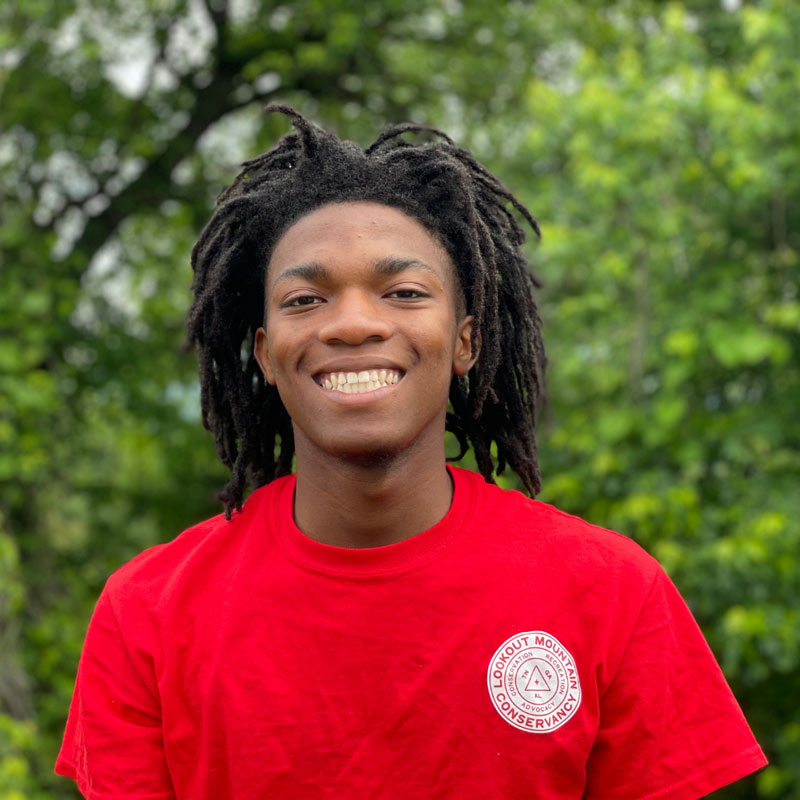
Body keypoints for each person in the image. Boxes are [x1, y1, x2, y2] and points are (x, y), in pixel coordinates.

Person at [56, 106, 766, 799]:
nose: (356, 322)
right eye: (306, 300)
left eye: (402, 291)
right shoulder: (148, 614)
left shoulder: (612, 593)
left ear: (466, 342)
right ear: (266, 356)